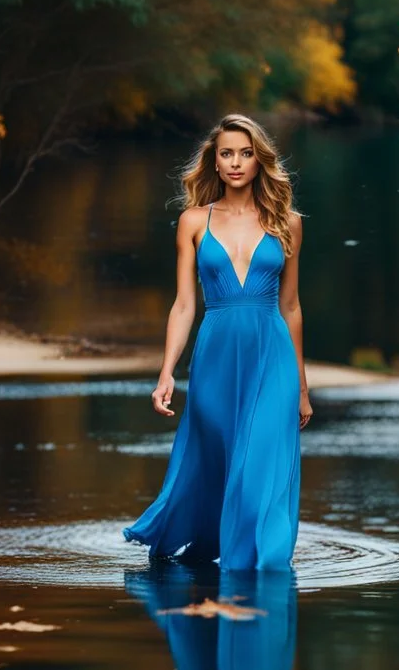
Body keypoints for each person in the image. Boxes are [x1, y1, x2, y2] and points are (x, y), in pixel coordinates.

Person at [123, 113, 311, 569]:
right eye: (227, 153)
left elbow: (290, 307)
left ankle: (259, 569)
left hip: (273, 359)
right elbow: (184, 305)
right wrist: (166, 372)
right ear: (214, 160)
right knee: (217, 463)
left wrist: (302, 387)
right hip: (215, 360)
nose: (236, 163)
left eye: (246, 153)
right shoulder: (192, 222)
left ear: (259, 160)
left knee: (258, 467)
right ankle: (223, 566)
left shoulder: (288, 222)